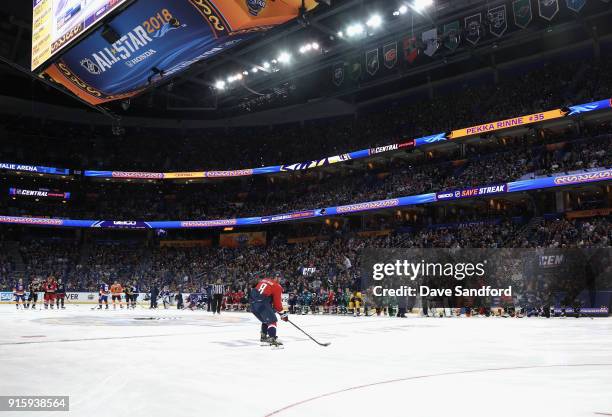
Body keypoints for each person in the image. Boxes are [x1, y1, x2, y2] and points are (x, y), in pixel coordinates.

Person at [249, 274, 288, 346]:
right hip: (262, 303)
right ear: (276, 278)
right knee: (272, 321)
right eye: (279, 278)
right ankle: (272, 339)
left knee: (266, 320)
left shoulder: (264, 280)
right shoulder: (277, 286)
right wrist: (283, 314)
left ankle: (263, 337)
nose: (280, 280)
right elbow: (277, 305)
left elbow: (255, 288)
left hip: (252, 304)